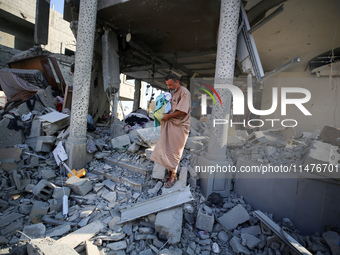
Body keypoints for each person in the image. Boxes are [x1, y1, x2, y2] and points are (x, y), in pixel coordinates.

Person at [150, 73, 191, 188]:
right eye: (167, 85)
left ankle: (173, 176)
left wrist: (168, 116)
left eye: (171, 85)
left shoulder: (184, 92)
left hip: (179, 126)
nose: (169, 87)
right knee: (166, 148)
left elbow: (182, 111)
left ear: (177, 82)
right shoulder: (172, 93)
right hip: (170, 124)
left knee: (175, 151)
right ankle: (169, 173)